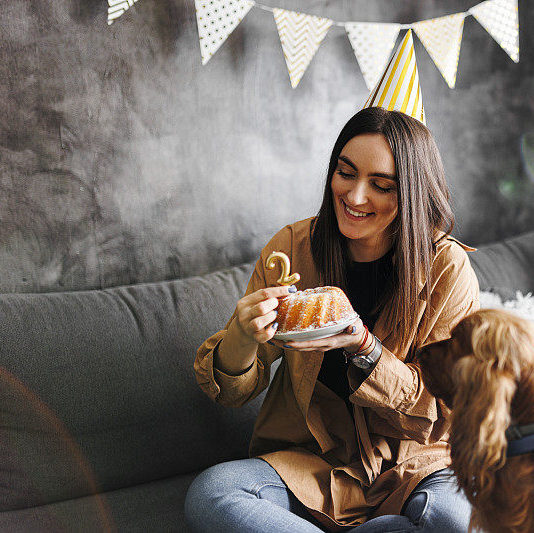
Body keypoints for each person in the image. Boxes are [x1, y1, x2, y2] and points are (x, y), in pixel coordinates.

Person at [185, 31, 479, 532]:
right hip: (310, 464)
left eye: (382, 185)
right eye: (345, 172)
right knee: (213, 493)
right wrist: (241, 334)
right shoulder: (293, 247)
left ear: (412, 194)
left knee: (451, 520)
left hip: (416, 464)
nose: (355, 195)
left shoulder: (447, 271)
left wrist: (363, 347)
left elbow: (441, 411)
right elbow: (233, 391)